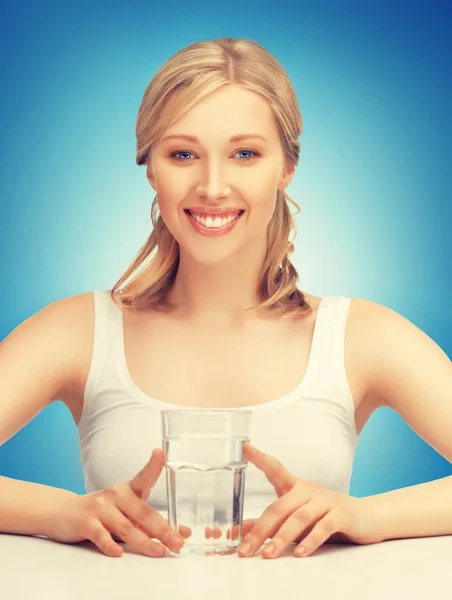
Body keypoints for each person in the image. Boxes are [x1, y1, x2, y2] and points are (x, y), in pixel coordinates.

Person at [0, 37, 451, 561]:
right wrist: (63, 514)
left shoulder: (361, 337)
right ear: (151, 169)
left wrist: (365, 517)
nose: (212, 187)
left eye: (245, 154)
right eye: (183, 154)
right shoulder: (79, 330)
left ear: (286, 167)